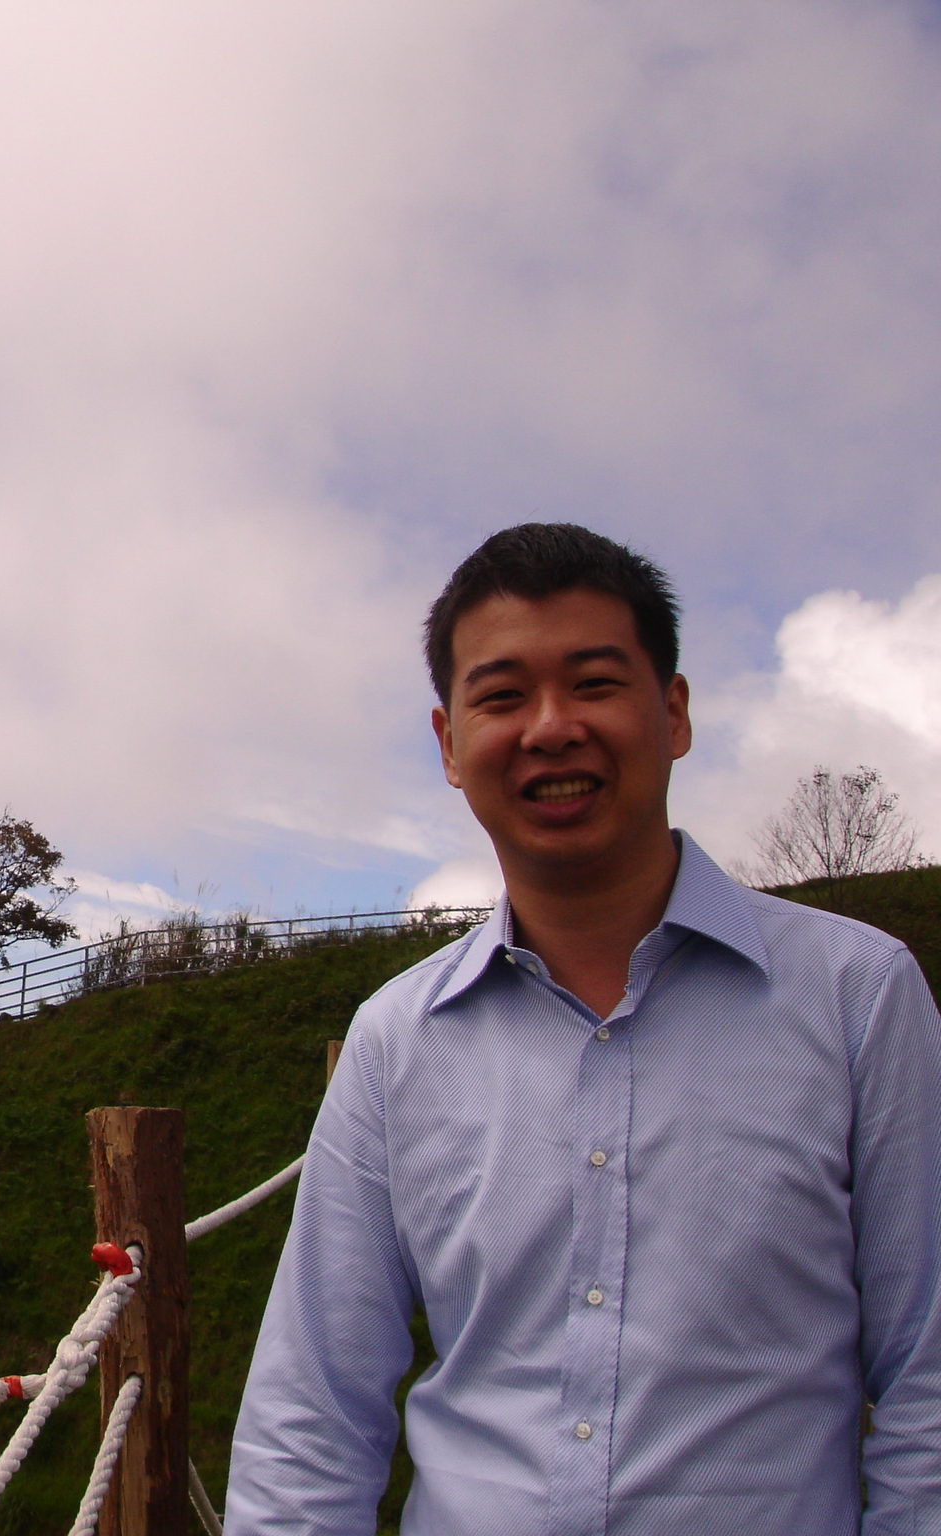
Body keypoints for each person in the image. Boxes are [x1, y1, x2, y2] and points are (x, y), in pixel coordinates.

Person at [225, 523, 941, 1535]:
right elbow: (310, 1417)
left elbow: (927, 1378)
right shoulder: (396, 1043)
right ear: (447, 744)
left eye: (594, 683)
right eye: (502, 696)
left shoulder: (857, 996)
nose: (550, 728)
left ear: (673, 711)